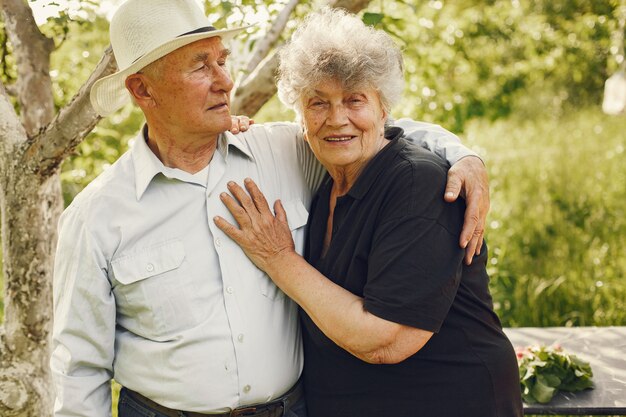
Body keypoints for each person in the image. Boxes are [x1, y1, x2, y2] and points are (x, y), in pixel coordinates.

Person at [51, 1, 491, 416]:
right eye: (200, 67)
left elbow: (363, 128)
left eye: (221, 60)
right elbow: (78, 370)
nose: (224, 79)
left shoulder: (284, 151)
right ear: (142, 89)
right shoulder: (97, 215)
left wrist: (463, 155)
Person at [214, 8, 523, 417]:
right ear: (300, 115)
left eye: (354, 99)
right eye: (318, 102)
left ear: (383, 108)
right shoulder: (324, 178)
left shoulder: (420, 186)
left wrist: (278, 259)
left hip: (446, 401)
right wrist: (224, 128)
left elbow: (386, 340)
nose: (337, 118)